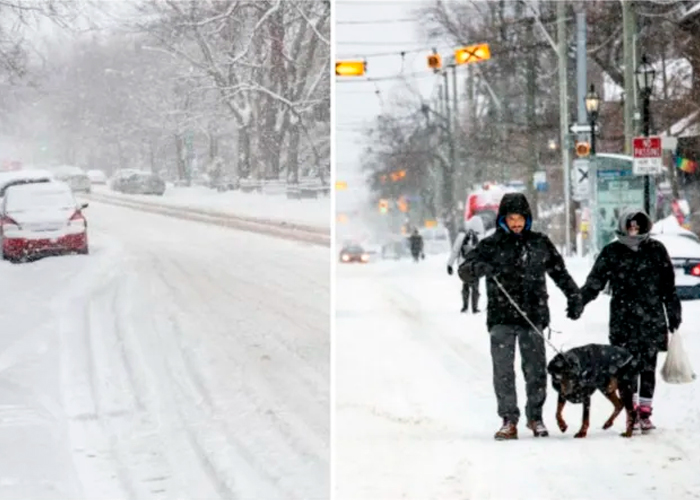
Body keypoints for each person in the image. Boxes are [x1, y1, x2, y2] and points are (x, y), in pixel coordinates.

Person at [459, 192, 583, 440]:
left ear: (527, 219)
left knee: (535, 370)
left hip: (533, 315)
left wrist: (574, 295)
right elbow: (465, 271)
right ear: (503, 219)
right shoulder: (491, 245)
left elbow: (559, 272)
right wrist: (477, 267)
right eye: (511, 218)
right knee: (503, 370)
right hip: (501, 317)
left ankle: (535, 417)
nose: (516, 223)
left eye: (521, 219)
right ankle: (508, 419)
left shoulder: (539, 243)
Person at [578, 209, 681, 433]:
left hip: (651, 319)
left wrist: (673, 311)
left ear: (645, 226)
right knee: (625, 368)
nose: (634, 230)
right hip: (623, 320)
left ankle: (645, 412)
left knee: (647, 366)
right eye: (630, 226)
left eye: (638, 226)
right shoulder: (612, 252)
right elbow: (595, 282)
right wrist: (580, 300)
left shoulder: (656, 250)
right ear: (623, 226)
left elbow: (668, 286)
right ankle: (630, 410)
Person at [447, 216, 485, 313]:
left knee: (465, 285)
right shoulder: (482, 238)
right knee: (475, 286)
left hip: (463, 266)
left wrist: (449, 264)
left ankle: (465, 306)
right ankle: (475, 308)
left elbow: (455, 251)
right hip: (475, 266)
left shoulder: (461, 236)